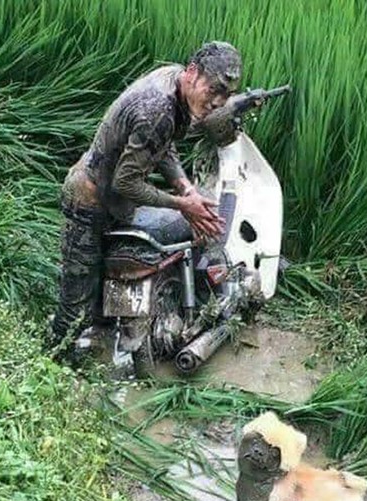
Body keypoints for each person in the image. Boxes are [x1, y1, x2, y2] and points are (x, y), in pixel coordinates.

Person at [49, 41, 242, 353]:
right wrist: (183, 204)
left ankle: (112, 344)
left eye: (226, 95)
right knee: (75, 311)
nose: (218, 102)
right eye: (213, 90)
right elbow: (125, 181)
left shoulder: (175, 84)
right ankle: (51, 368)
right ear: (193, 73)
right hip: (88, 203)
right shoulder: (157, 108)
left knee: (101, 308)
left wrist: (186, 188)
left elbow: (162, 144)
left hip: (116, 203)